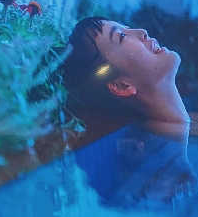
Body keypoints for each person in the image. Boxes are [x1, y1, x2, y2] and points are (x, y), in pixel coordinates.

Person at [61, 16, 189, 132]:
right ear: (121, 86)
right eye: (122, 36)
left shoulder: (166, 143)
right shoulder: (160, 152)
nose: (142, 31)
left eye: (128, 28)